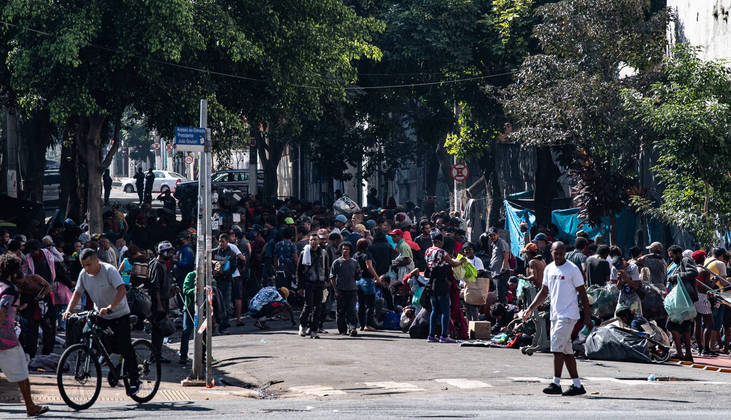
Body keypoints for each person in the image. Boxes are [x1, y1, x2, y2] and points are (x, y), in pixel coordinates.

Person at [62, 249, 140, 395]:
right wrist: (68, 310)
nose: (86, 268)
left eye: (88, 264)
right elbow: (78, 293)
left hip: (119, 313)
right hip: (100, 314)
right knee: (97, 340)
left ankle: (135, 380)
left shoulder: (109, 270)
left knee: (124, 347)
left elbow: (122, 290)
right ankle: (111, 364)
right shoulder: (84, 274)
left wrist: (111, 307)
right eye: (83, 265)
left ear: (96, 260)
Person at [523, 241, 591, 396]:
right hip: (555, 315)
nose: (559, 256)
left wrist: (588, 317)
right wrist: (530, 308)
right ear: (551, 252)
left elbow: (582, 293)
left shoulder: (572, 269)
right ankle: (577, 385)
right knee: (567, 351)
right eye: (556, 253)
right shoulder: (549, 268)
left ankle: (556, 383)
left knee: (556, 348)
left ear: (565, 252)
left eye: (561, 253)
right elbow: (543, 292)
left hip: (568, 315)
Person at [0, 254, 49, 416]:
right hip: (6, 340)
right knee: (21, 372)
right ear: (14, 272)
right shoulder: (10, 289)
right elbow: (2, 309)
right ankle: (30, 406)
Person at [425, 232, 464, 343]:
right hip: (441, 283)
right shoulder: (441, 252)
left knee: (434, 310)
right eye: (441, 242)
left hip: (432, 283)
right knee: (446, 310)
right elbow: (453, 263)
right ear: (438, 241)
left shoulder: (427, 251)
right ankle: (444, 335)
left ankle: (431, 335)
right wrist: (461, 261)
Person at [665, 245, 699, 362]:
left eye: (672, 256)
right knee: (684, 327)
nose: (671, 259)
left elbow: (694, 272)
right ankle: (687, 354)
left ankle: (681, 353)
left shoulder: (685, 260)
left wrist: (677, 276)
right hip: (682, 299)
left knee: (671, 324)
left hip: (685, 299)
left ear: (678, 253)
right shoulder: (677, 264)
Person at [296, 234, 330, 339]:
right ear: (309, 241)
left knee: (318, 307)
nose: (313, 242)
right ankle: (303, 325)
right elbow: (299, 271)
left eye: (315, 240)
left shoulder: (323, 253)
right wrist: (299, 286)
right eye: (311, 240)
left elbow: (327, 268)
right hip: (308, 283)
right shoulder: (304, 253)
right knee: (308, 306)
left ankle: (314, 329)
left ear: (319, 241)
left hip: (319, 283)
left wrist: (326, 280)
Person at [148, 241, 174, 362]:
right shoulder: (157, 265)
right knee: (157, 330)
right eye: (169, 251)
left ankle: (156, 354)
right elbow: (155, 286)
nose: (171, 254)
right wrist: (159, 305)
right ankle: (155, 356)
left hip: (163, 300)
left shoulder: (162, 264)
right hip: (158, 303)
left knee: (159, 330)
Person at [330, 241, 361, 336]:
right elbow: (332, 277)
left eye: (347, 249)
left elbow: (358, 276)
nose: (345, 251)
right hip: (341, 290)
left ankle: (352, 328)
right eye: (343, 249)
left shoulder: (354, 262)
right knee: (340, 311)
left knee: (351, 310)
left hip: (352, 290)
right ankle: (342, 330)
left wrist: (358, 274)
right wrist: (335, 290)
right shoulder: (337, 262)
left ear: (350, 250)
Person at [212, 234, 237, 334]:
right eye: (219, 241)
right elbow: (209, 261)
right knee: (214, 304)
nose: (220, 243)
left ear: (227, 241)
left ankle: (224, 326)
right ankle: (213, 326)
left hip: (226, 281)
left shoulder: (231, 253)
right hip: (215, 281)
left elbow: (233, 268)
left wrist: (224, 272)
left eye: (222, 241)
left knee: (226, 304)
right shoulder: (215, 252)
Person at [354, 238, 379, 332]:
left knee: (361, 304)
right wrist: (377, 278)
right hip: (367, 281)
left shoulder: (355, 255)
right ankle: (368, 325)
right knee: (370, 304)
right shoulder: (367, 255)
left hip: (358, 281)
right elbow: (369, 266)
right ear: (367, 246)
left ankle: (361, 324)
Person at [487, 227, 511, 304]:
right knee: (499, 294)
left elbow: (506, 255)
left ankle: (504, 311)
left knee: (501, 295)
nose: (492, 237)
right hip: (495, 273)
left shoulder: (501, 242)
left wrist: (503, 268)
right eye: (490, 236)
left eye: (494, 235)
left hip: (501, 273)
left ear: (498, 234)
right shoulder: (493, 244)